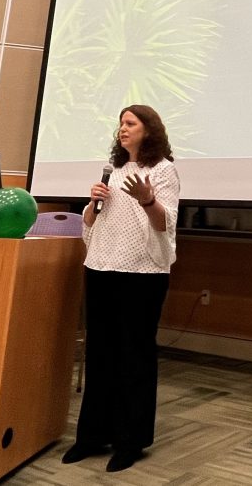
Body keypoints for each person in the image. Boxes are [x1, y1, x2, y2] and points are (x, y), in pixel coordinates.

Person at [61, 104, 180, 473]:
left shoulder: (162, 170)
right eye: (120, 124)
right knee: (100, 353)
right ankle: (92, 435)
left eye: (130, 123)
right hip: (101, 266)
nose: (122, 129)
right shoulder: (114, 170)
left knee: (134, 356)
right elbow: (91, 221)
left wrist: (147, 200)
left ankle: (131, 440)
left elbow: (166, 222)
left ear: (149, 130)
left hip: (142, 273)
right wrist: (93, 205)